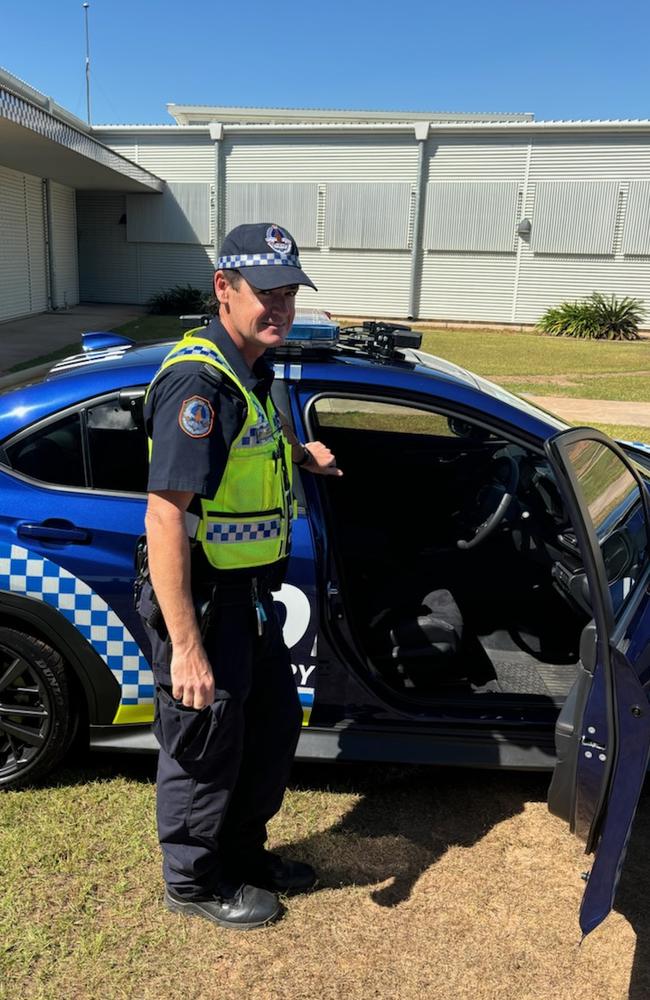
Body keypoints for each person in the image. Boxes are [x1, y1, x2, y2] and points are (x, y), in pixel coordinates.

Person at [138, 223, 341, 931]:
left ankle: (243, 853)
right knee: (206, 746)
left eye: (289, 293)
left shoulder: (251, 365)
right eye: (267, 293)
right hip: (207, 603)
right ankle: (193, 882)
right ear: (224, 289)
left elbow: (247, 443)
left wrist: (300, 452)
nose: (281, 307)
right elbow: (165, 517)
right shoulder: (198, 381)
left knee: (270, 729)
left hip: (250, 601)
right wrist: (187, 647)